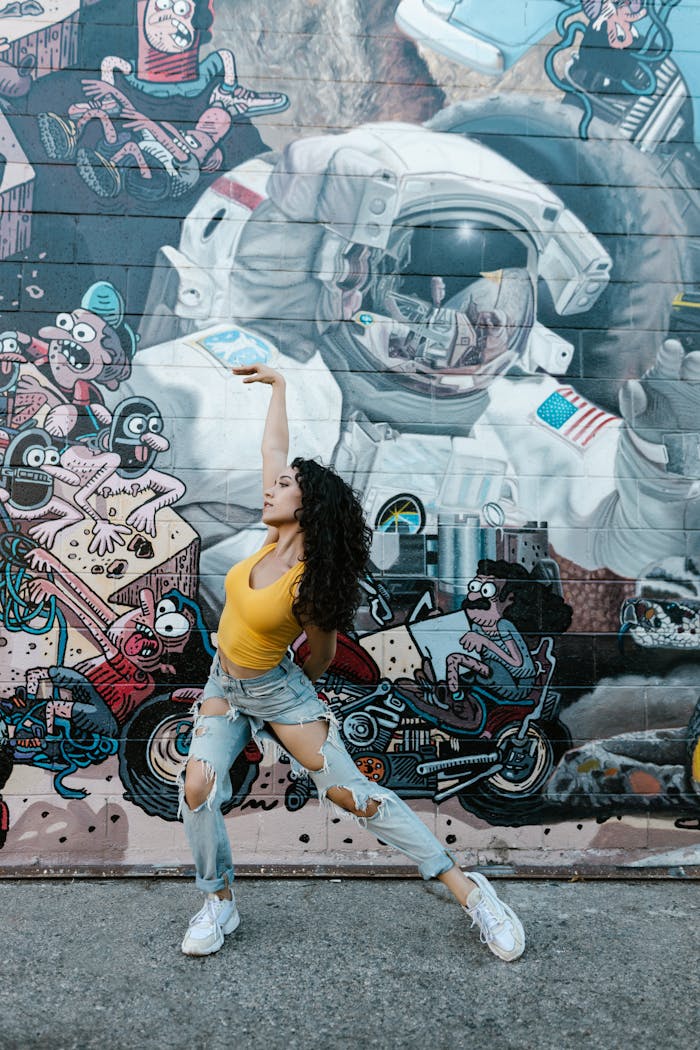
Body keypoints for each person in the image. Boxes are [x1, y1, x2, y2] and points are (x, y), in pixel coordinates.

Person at [178, 362, 525, 962]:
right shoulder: (267, 538)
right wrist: (281, 388)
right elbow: (274, 446)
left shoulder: (309, 582)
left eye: (284, 486)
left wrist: (292, 700)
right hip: (224, 686)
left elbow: (324, 653)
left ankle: (471, 892)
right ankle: (219, 901)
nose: (271, 487)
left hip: (281, 694)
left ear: (307, 509)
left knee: (355, 798)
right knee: (197, 787)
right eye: (278, 481)